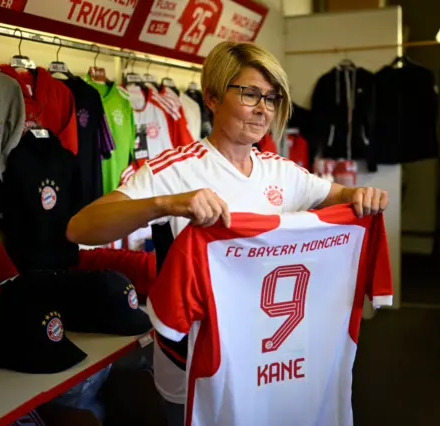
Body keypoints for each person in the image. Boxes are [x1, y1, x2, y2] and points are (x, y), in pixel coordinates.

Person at [66, 41, 389, 425]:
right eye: (250, 93)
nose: (263, 109)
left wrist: (358, 195)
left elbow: (338, 196)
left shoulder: (281, 172)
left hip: (270, 365)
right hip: (193, 369)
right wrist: (166, 204)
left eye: (271, 98)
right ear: (213, 98)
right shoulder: (173, 169)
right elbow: (80, 227)